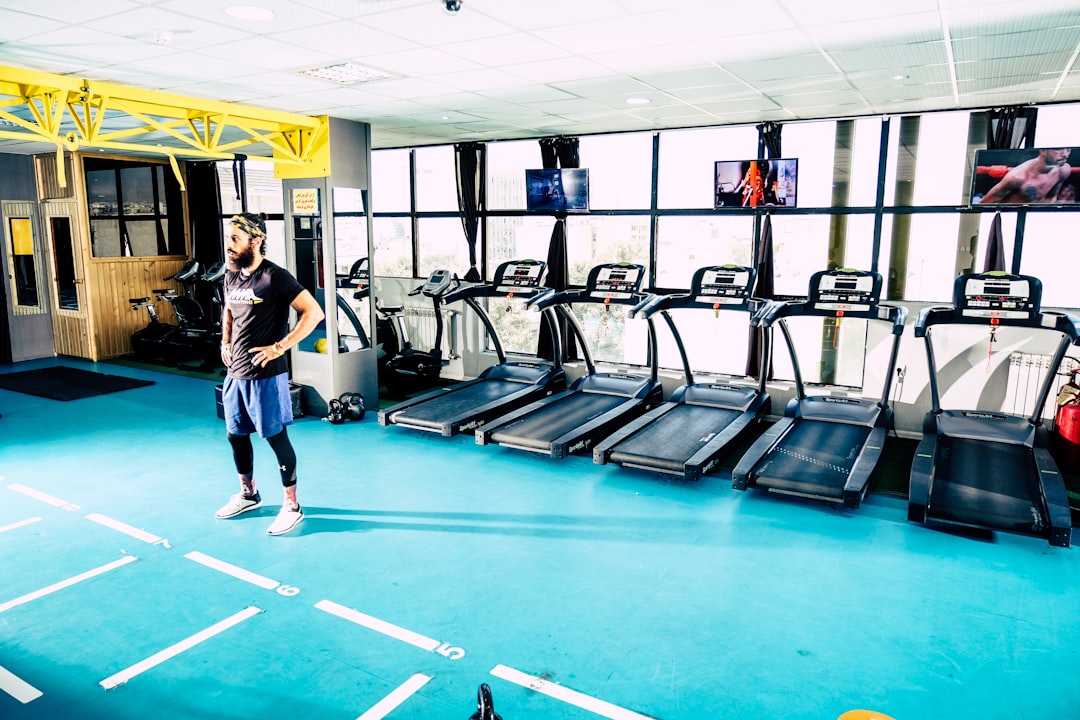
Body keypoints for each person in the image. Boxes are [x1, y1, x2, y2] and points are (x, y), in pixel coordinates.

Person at [215, 212, 325, 536]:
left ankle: (292, 506)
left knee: (276, 439)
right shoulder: (232, 274)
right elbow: (228, 308)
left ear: (256, 240)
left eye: (235, 238)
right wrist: (225, 339)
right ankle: (249, 494)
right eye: (228, 238)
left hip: (267, 376)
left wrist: (280, 347)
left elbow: (313, 312)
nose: (229, 244)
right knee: (235, 435)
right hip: (236, 375)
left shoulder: (274, 277)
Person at [977, 148, 1073, 204]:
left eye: (1068, 149)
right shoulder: (1017, 177)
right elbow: (984, 204)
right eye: (1058, 149)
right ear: (1043, 151)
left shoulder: (1063, 170)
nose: (1065, 154)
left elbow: (1050, 198)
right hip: (1008, 219)